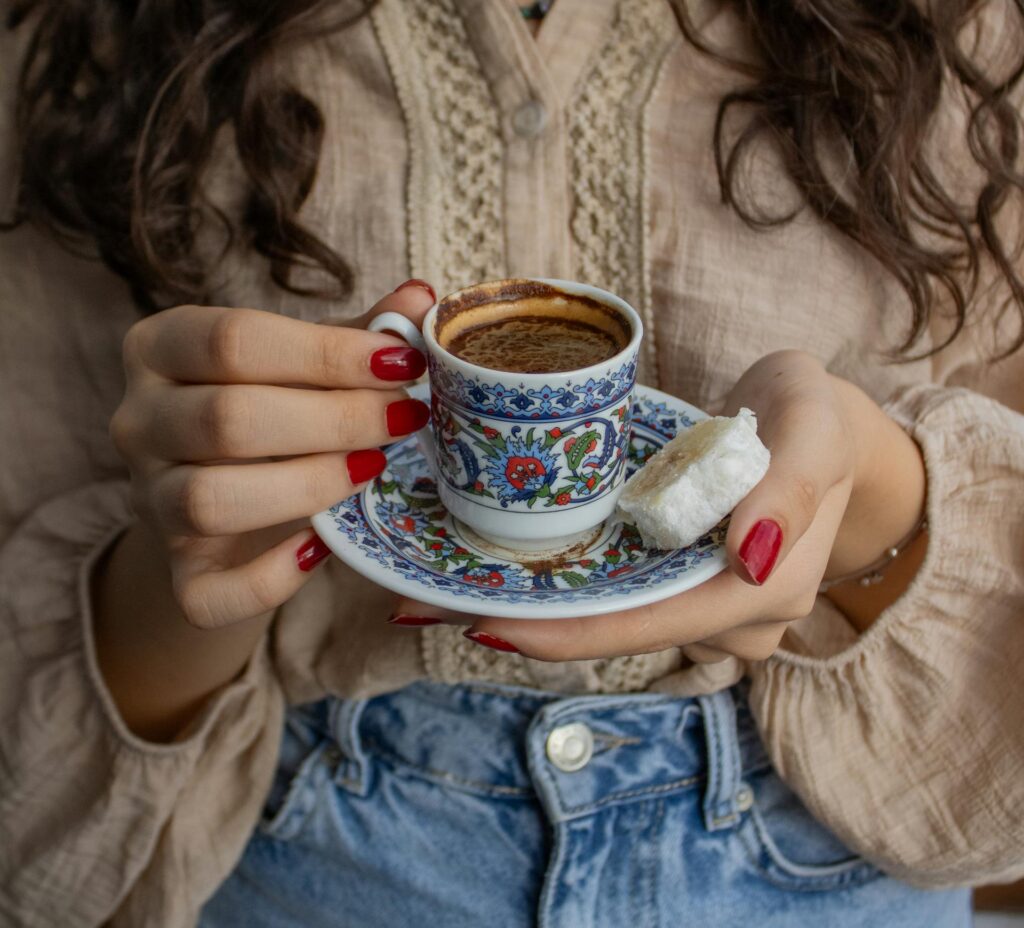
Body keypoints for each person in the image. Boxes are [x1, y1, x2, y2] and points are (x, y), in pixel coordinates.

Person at [1, 0, 1022, 925]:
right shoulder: (88, 37)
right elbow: (38, 822)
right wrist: (197, 557)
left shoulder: (960, 29)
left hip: (818, 847)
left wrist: (866, 494)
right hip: (313, 860)